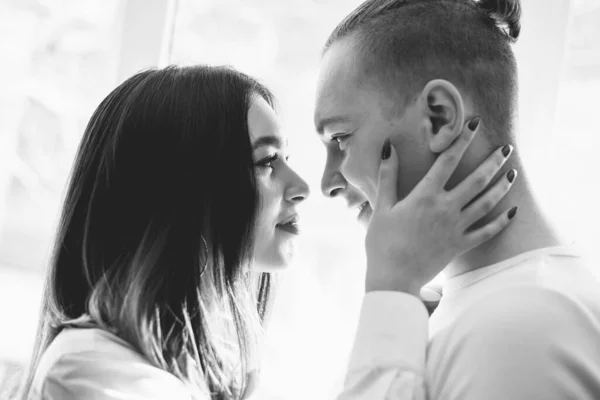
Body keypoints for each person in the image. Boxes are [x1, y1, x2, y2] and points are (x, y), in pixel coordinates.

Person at [16, 62, 516, 399]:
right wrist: (392, 286)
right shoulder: (85, 372)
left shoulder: (237, 359)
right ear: (187, 190)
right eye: (266, 162)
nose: (302, 187)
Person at [314, 0, 600, 399]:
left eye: (341, 138)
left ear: (440, 117)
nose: (327, 182)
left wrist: (390, 291)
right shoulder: (462, 311)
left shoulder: (518, 331)